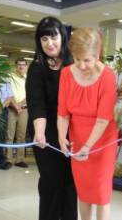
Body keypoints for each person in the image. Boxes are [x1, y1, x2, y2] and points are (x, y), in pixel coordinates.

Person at [57, 27, 118, 220]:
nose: (81, 65)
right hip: (77, 137)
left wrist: (88, 146)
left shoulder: (108, 76)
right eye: (77, 59)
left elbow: (103, 119)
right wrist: (61, 137)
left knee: (100, 193)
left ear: (97, 55)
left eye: (87, 60)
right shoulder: (66, 74)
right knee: (83, 190)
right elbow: (63, 113)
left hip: (102, 141)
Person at [26, 16, 77, 220]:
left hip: (71, 131)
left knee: (70, 183)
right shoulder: (37, 67)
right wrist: (39, 132)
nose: (49, 43)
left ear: (62, 36)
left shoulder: (73, 63)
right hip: (46, 131)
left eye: (53, 37)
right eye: (44, 38)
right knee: (51, 182)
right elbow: (36, 104)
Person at [6, 57, 29, 168]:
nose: (21, 66)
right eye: (19, 64)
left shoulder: (29, 78)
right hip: (11, 109)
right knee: (10, 135)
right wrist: (15, 105)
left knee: (21, 136)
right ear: (15, 66)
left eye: (23, 65)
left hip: (24, 110)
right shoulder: (10, 77)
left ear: (26, 66)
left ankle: (20, 159)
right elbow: (8, 93)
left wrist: (20, 106)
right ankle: (8, 159)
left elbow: (30, 94)